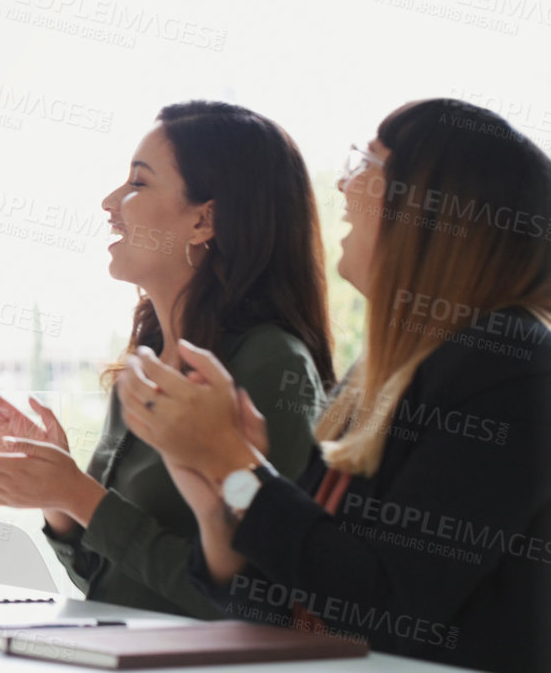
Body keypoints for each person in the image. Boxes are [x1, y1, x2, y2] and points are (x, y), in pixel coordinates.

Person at [117, 99, 551, 672]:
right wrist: (219, 495)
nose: (345, 185)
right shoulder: (380, 373)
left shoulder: (512, 366)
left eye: (368, 161)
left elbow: (386, 607)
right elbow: (290, 600)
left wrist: (232, 465)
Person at [0, 101, 335, 617]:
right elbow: (110, 585)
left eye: (138, 184)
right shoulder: (146, 367)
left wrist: (78, 494)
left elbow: (258, 603)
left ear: (204, 220)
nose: (110, 201)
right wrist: (55, 491)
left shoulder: (269, 363)